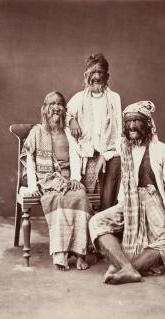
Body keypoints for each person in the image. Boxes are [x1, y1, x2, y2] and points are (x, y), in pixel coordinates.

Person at [89, 101, 165, 284]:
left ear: (148, 124)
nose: (131, 126)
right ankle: (129, 269)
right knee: (96, 222)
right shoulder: (124, 146)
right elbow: (109, 149)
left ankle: (125, 268)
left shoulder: (163, 150)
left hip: (152, 203)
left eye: (137, 121)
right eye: (128, 122)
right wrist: (103, 156)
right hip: (127, 204)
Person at [21, 91, 91, 271]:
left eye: (60, 104)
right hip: (47, 180)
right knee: (58, 200)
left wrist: (75, 178)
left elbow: (77, 157)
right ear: (44, 110)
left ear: (65, 111)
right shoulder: (37, 132)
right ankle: (61, 255)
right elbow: (28, 158)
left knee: (80, 196)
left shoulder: (68, 133)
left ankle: (80, 254)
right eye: (52, 104)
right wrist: (32, 186)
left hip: (68, 178)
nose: (56, 108)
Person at [67, 53, 122, 210]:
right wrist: (72, 120)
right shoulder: (78, 98)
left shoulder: (114, 98)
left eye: (100, 73)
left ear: (107, 76)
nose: (96, 76)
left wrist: (106, 155)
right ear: (86, 76)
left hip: (110, 153)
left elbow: (119, 132)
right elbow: (64, 113)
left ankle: (105, 216)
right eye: (93, 73)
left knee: (117, 163)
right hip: (87, 153)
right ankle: (92, 221)